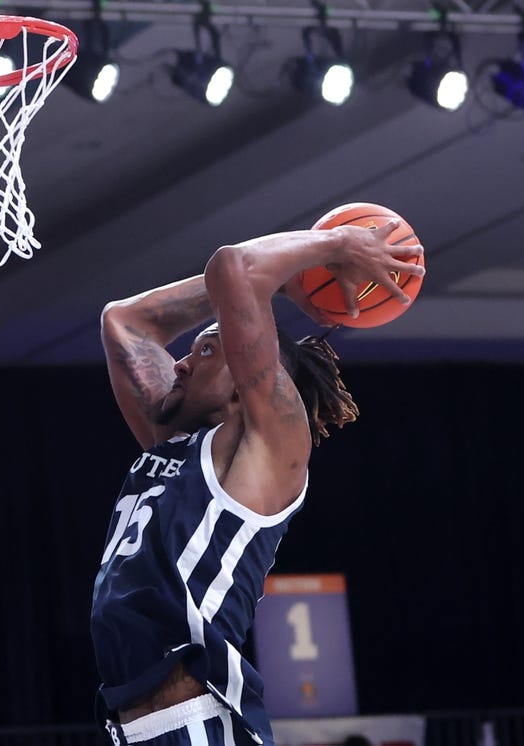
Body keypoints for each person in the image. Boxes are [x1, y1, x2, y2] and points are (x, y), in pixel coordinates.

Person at [91, 221, 425, 746]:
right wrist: (281, 282)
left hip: (195, 720)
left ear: (244, 386)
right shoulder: (172, 437)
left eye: (204, 351)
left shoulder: (269, 444)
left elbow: (233, 267)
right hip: (136, 725)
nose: (179, 363)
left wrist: (333, 245)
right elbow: (125, 323)